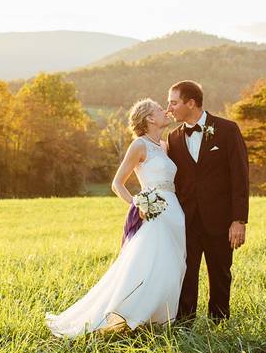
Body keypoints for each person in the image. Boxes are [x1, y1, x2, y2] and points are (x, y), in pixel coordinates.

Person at [45, 99, 186, 337]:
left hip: (175, 212)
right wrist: (138, 203)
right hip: (155, 213)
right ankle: (129, 317)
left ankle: (159, 322)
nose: (165, 111)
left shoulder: (163, 145)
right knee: (152, 266)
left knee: (174, 267)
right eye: (159, 110)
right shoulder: (139, 145)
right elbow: (117, 183)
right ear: (150, 119)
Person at [166, 80, 250, 324]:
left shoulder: (227, 130)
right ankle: (184, 326)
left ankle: (219, 325)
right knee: (186, 276)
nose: (169, 108)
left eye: (173, 102)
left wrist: (238, 220)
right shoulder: (173, 138)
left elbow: (240, 178)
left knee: (221, 275)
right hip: (187, 221)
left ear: (191, 103)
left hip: (220, 221)